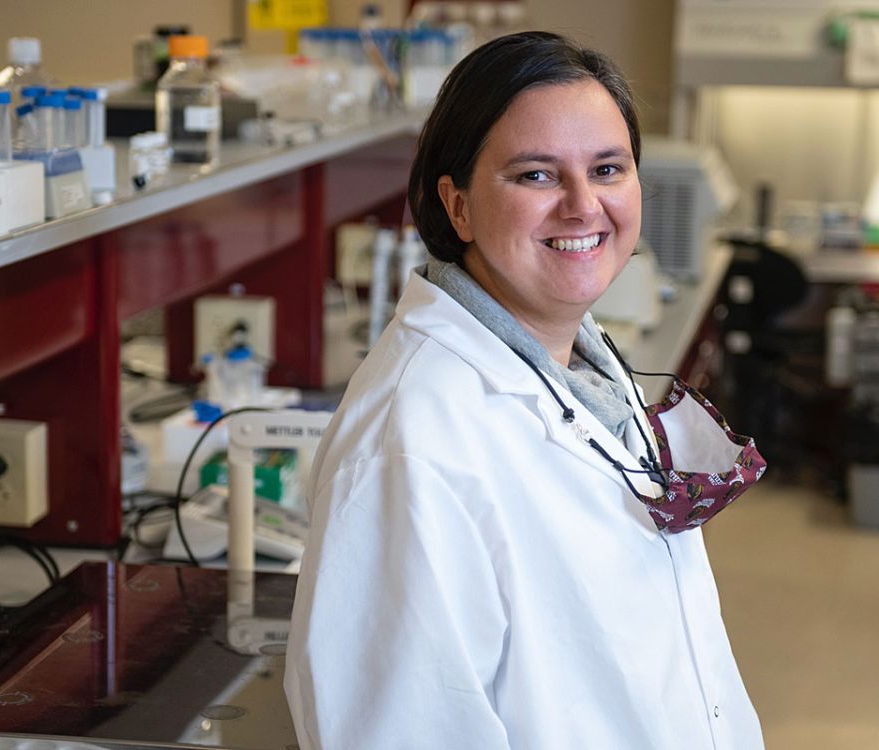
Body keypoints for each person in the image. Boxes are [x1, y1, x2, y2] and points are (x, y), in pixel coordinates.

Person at [284, 31, 765, 749]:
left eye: (607, 168)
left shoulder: (577, 363)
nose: (583, 206)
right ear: (459, 207)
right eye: (536, 175)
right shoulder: (414, 443)